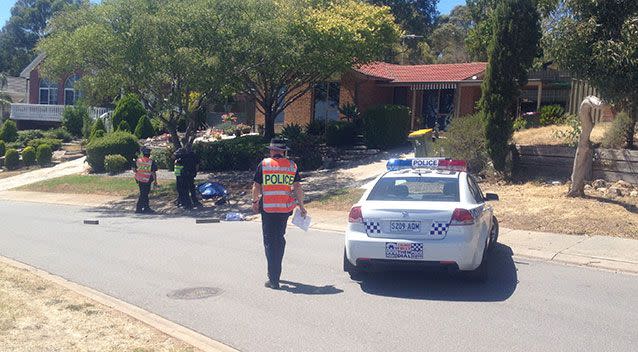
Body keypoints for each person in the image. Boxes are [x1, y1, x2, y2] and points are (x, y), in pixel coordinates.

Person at [252, 138, 307, 289]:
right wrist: (301, 206)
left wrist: (255, 202)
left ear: (271, 151)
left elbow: (256, 186)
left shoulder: (264, 164)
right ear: (283, 152)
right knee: (279, 239)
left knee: (270, 243)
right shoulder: (291, 166)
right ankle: (276, 272)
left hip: (268, 210)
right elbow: (297, 188)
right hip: (284, 209)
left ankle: (273, 279)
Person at [134, 147, 158, 214]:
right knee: (144, 194)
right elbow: (153, 172)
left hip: (139, 180)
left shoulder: (138, 160)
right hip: (147, 180)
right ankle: (140, 208)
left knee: (144, 194)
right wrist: (155, 181)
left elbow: (134, 169)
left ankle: (145, 208)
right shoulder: (151, 162)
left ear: (143, 154)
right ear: (149, 154)